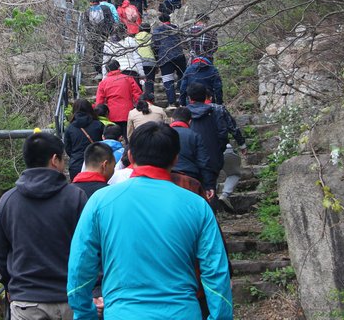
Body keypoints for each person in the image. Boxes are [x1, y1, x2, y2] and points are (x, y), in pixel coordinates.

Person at [67, 122, 233, 319]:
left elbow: (80, 268)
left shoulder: (100, 202)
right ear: (175, 158)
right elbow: (216, 274)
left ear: (130, 157)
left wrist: (86, 313)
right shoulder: (197, 206)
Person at [0, 132, 87, 320]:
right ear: (54, 159)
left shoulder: (8, 200)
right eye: (63, 159)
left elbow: (0, 250)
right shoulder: (75, 197)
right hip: (70, 298)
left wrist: (9, 285)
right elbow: (88, 248)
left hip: (27, 300)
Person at [186, 83, 229, 203]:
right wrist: (218, 150)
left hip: (191, 160)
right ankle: (212, 217)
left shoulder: (184, 114)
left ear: (190, 98)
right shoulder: (216, 111)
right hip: (213, 158)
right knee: (211, 189)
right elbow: (223, 134)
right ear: (206, 96)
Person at [95, 60, 142, 138]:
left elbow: (99, 101)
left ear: (107, 70)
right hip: (127, 112)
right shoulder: (128, 78)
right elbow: (137, 95)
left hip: (111, 114)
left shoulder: (103, 83)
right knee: (129, 136)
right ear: (119, 67)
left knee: (113, 137)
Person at [63, 99, 105, 181]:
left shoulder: (70, 128)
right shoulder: (98, 125)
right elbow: (104, 143)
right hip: (96, 163)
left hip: (76, 164)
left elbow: (68, 148)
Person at [152, 13, 187, 106]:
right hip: (179, 55)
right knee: (183, 75)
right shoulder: (176, 28)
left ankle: (172, 102)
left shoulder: (157, 32)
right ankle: (182, 96)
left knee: (168, 80)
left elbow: (155, 47)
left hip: (164, 57)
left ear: (160, 21)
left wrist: (156, 61)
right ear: (170, 20)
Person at [170, 107, 210, 188]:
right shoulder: (195, 135)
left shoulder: (162, 134)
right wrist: (208, 185)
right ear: (190, 121)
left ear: (171, 119)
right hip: (190, 179)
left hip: (167, 177)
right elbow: (203, 162)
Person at [85, 0, 114, 78]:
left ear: (91, 2)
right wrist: (110, 32)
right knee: (107, 50)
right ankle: (110, 69)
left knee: (96, 52)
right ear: (99, 2)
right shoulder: (106, 8)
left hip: (94, 35)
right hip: (105, 34)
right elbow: (111, 21)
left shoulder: (88, 11)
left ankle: (99, 72)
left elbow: (86, 24)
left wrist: (91, 33)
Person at [134, 22, 157, 96]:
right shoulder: (152, 37)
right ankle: (150, 98)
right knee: (150, 81)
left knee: (138, 82)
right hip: (150, 61)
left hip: (138, 62)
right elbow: (155, 49)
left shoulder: (134, 38)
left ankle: (140, 99)